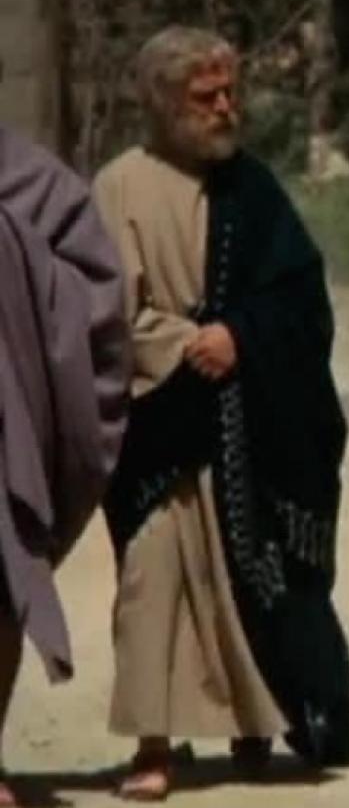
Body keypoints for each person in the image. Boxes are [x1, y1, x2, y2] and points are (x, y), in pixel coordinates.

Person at [96, 26, 349, 800]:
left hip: (248, 426)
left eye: (228, 93)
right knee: (150, 580)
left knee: (251, 575)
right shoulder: (118, 187)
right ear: (161, 102)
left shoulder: (252, 188)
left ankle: (257, 720)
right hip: (158, 426)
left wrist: (239, 334)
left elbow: (300, 297)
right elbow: (103, 315)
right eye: (204, 97)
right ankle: (152, 744)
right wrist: (186, 344)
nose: (223, 109)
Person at [0, 126, 129, 806]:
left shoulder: (23, 174)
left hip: (3, 428)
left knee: (0, 587)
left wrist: (16, 268)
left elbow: (98, 286)